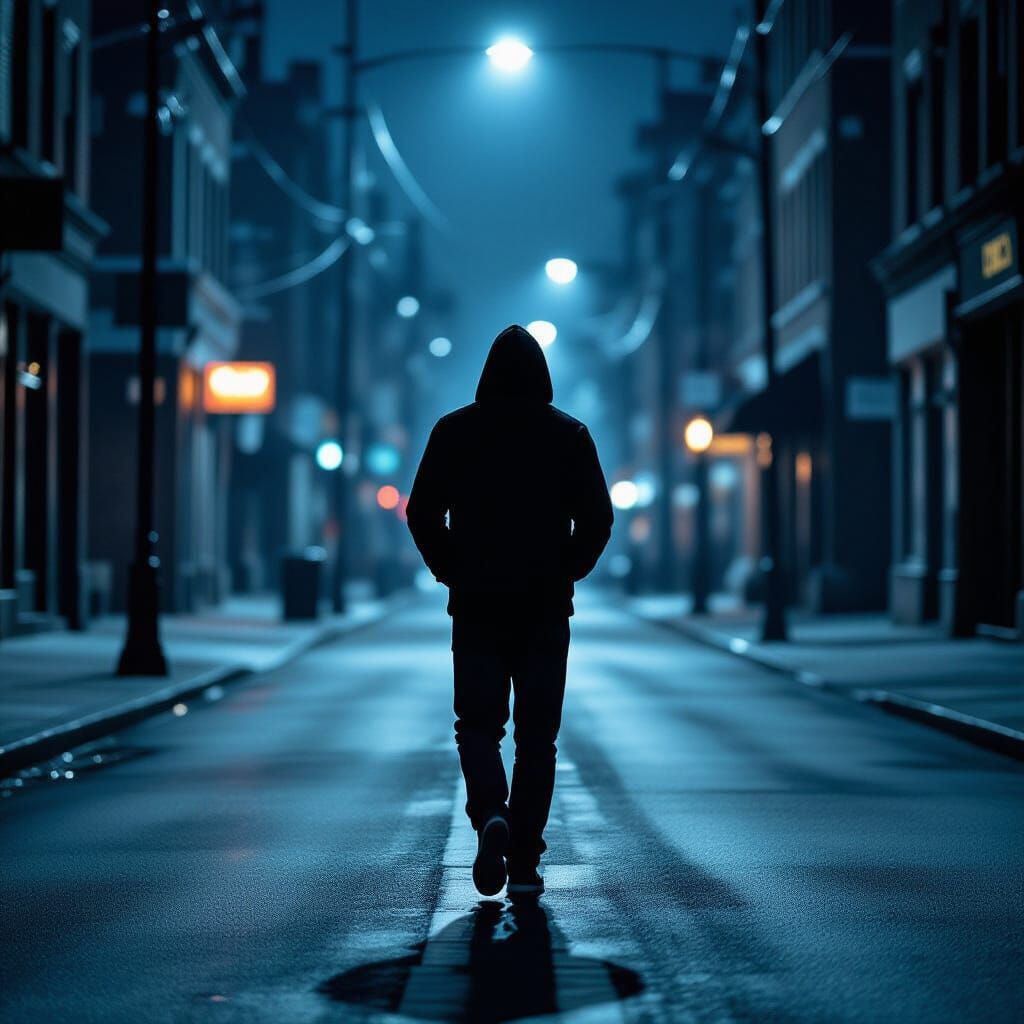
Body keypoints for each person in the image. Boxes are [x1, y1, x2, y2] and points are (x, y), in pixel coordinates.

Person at [406, 323, 613, 897]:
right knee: (537, 736)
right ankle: (525, 854)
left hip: (475, 604)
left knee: (477, 724)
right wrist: (565, 569)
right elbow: (598, 520)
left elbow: (422, 512)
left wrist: (451, 568)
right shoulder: (569, 435)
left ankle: (490, 815)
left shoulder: (454, 431)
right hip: (545, 607)